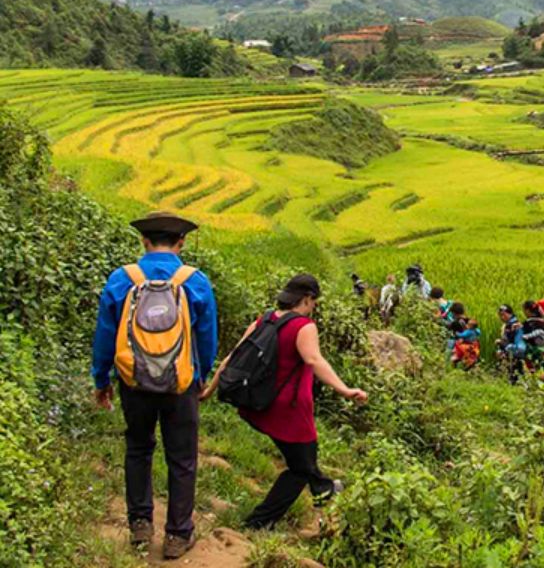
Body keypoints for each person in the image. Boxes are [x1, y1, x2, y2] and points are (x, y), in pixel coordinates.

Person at [92, 211, 218, 560]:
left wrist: (101, 380)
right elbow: (207, 338)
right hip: (181, 383)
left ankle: (140, 526)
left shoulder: (122, 278)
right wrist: (201, 376)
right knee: (182, 457)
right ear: (182, 242)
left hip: (134, 381)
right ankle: (178, 534)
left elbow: (105, 335)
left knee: (138, 448)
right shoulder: (195, 281)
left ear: (144, 241)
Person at [200, 274, 367, 530]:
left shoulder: (263, 320)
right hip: (291, 412)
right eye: (314, 301)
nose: (314, 307)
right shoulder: (304, 326)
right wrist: (345, 390)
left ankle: (324, 488)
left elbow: (233, 358)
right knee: (300, 468)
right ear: (308, 299)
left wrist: (209, 390)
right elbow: (314, 360)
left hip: (260, 405)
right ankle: (257, 523)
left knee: (303, 461)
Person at [496, 304, 526, 384]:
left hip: (514, 352)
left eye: (503, 315)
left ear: (510, 313)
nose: (502, 317)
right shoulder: (507, 325)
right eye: (500, 315)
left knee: (515, 372)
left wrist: (502, 343)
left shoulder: (515, 325)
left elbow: (515, 341)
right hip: (509, 352)